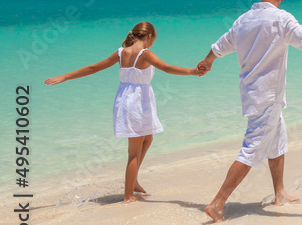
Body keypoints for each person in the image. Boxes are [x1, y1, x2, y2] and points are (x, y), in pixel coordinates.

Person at [197, 0, 302, 222]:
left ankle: (280, 193)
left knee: (277, 141)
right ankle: (217, 203)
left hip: (252, 93)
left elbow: (220, 45)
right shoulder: (281, 19)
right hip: (267, 95)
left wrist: (207, 61)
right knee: (251, 149)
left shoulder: (243, 20)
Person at [44, 22, 203, 203]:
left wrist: (65, 76)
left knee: (148, 138)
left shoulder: (121, 53)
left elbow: (93, 68)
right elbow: (167, 68)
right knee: (134, 152)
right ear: (149, 36)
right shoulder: (146, 54)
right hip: (137, 104)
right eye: (153, 40)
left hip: (128, 101)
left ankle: (133, 181)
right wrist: (192, 71)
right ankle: (128, 196)